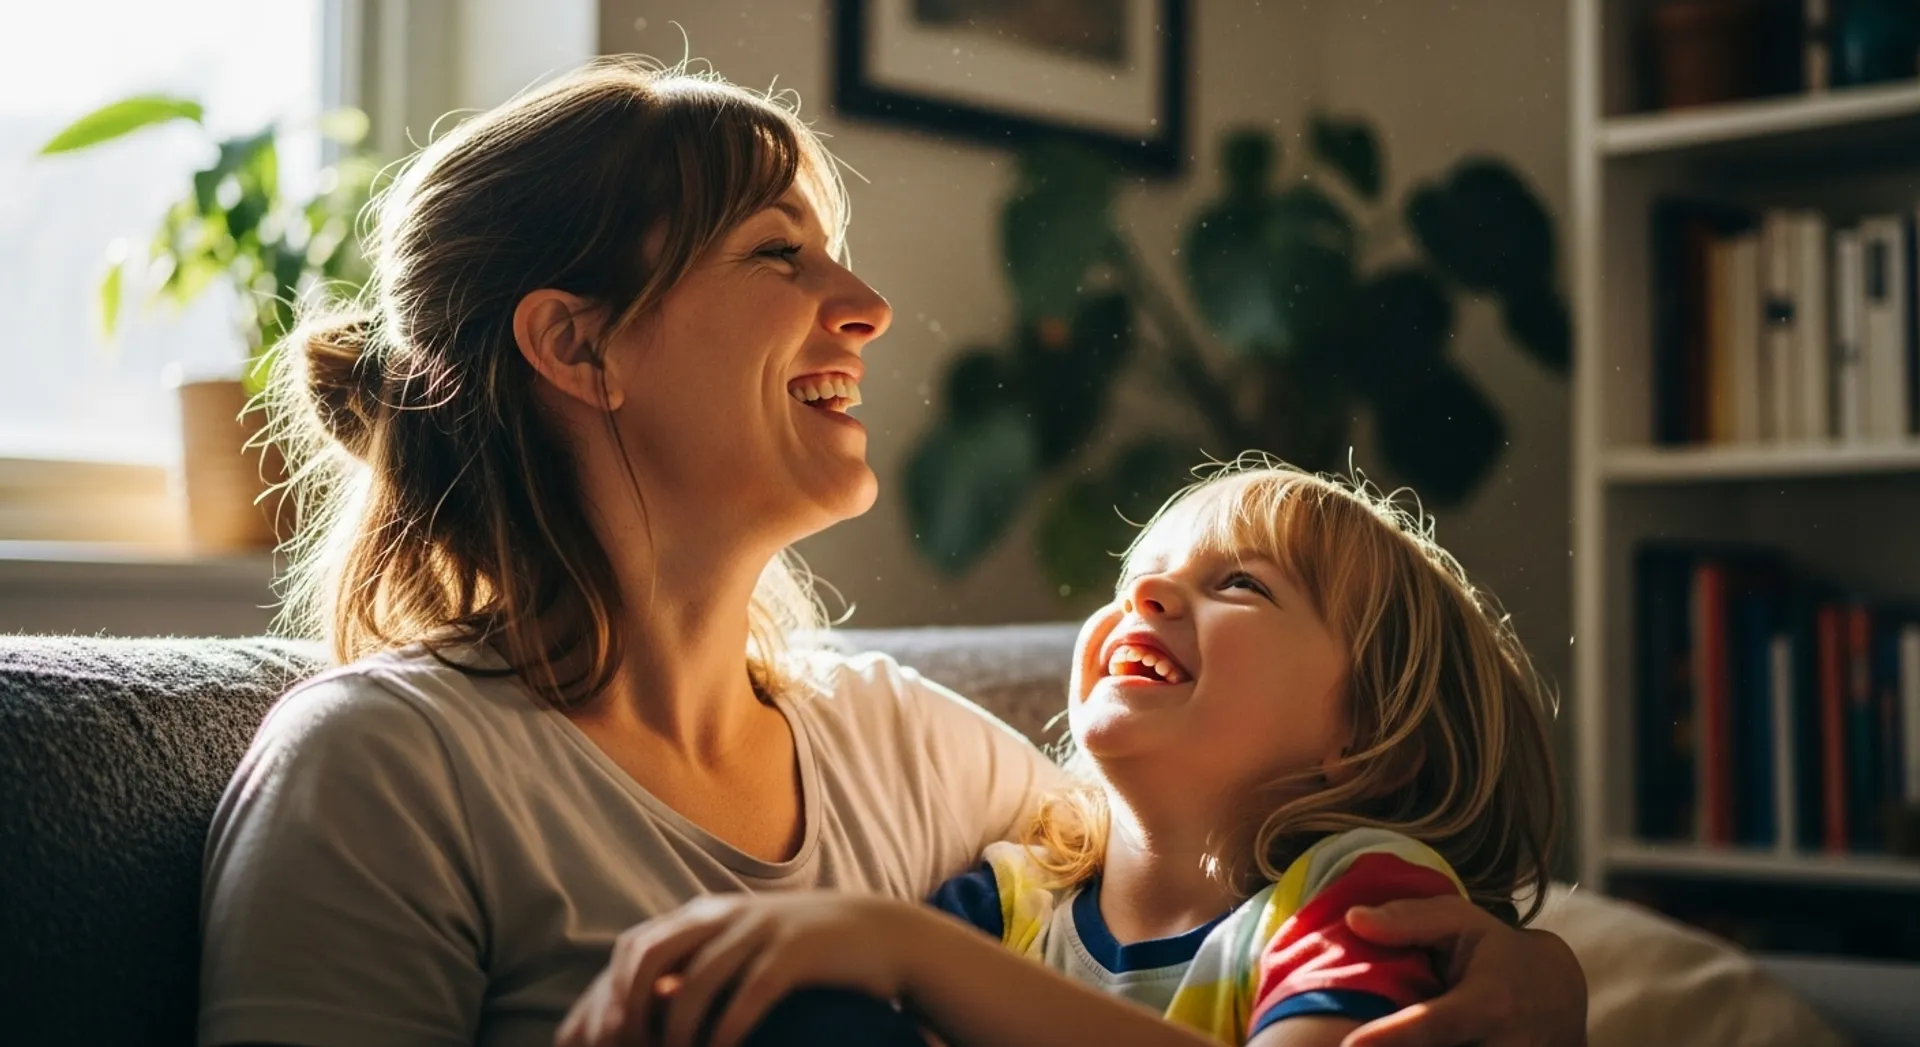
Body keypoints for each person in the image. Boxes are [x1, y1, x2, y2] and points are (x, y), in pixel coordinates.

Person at [197, 56, 1586, 1047]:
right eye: (775, 254)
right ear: (579, 343)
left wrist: (1541, 977)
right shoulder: (385, 768)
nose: (862, 307)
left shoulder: (916, 757)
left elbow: (1230, 855)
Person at [553, 462, 1563, 1047]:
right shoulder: (1013, 899)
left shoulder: (1355, 897)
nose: (1150, 599)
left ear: (1369, 731)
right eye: (1143, 578)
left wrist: (908, 949)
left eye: (1243, 586)